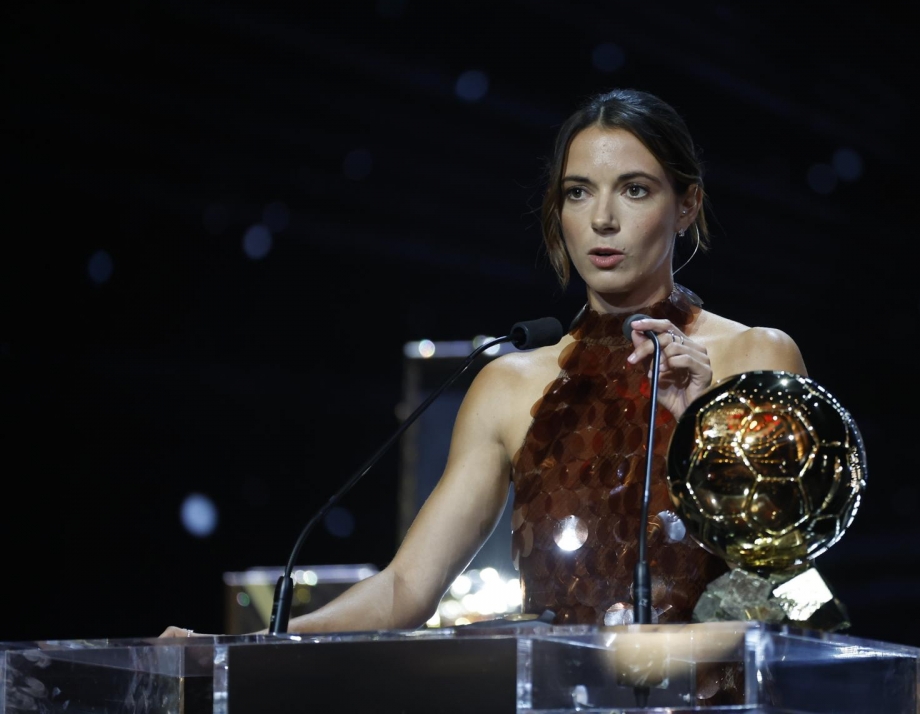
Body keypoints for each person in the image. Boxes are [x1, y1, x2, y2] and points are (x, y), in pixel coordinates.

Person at [162, 88, 806, 637]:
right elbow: (406, 590)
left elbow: (801, 589)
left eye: (634, 190)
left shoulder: (754, 356)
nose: (602, 219)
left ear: (687, 205)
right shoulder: (508, 384)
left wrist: (704, 432)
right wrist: (235, 648)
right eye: (579, 193)